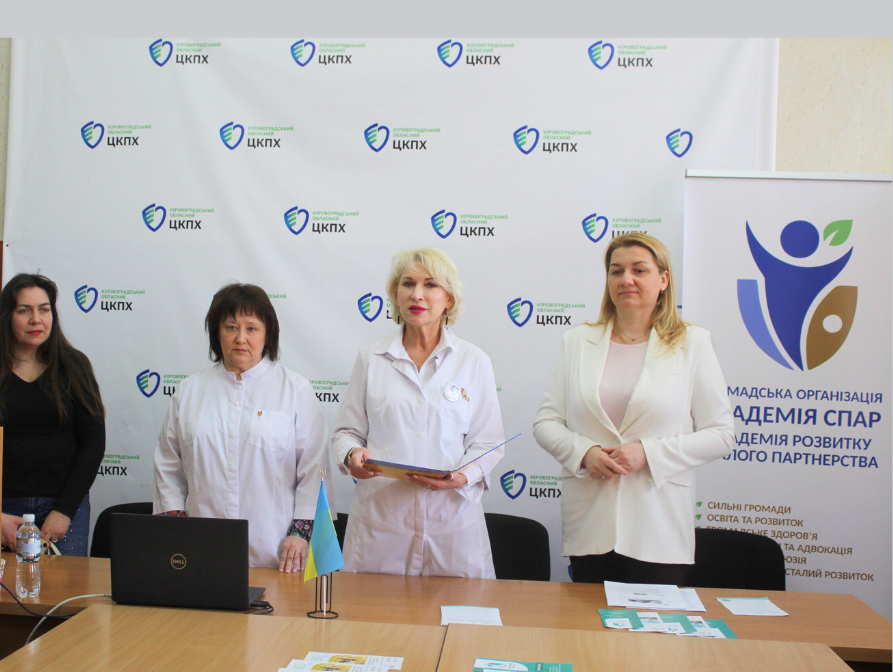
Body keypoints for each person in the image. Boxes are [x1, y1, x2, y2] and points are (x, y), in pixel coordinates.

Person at [533, 233, 734, 584]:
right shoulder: (577, 341)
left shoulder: (692, 343)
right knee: (587, 621)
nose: (626, 279)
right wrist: (585, 453)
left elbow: (721, 434)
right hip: (591, 528)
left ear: (663, 280)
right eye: (616, 271)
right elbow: (547, 422)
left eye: (639, 270)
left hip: (659, 528)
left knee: (655, 622)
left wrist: (649, 453)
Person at [333, 248, 505, 578]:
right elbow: (346, 433)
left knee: (456, 610)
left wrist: (461, 476)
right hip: (381, 523)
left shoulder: (474, 361)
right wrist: (352, 454)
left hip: (451, 522)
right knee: (374, 610)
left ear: (449, 298)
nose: (417, 294)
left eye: (430, 285)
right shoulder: (371, 359)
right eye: (408, 284)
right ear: (395, 295)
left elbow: (489, 442)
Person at [153, 283, 330, 572]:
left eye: (252, 328)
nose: (241, 338)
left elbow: (315, 469)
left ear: (267, 334)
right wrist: (177, 530)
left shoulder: (295, 390)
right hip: (200, 548)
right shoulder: (189, 391)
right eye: (231, 327)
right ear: (217, 332)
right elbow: (168, 466)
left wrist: (301, 533)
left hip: (276, 553)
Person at [0, 273, 106, 556]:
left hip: (62, 510)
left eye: (44, 310)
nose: (36, 320)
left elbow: (93, 443)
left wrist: (64, 510)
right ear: (7, 317)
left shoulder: (75, 366)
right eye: (24, 311)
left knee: (63, 586)